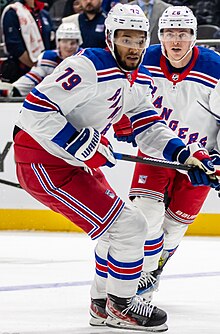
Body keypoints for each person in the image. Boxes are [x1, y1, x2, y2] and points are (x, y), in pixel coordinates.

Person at [13, 3, 218, 331]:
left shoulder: (136, 79)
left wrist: (183, 155)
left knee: (121, 228)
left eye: (139, 39)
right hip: (42, 161)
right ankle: (121, 307)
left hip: (68, 162)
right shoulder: (88, 65)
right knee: (131, 226)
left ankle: (101, 305)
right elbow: (33, 110)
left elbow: (149, 127)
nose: (134, 47)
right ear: (110, 38)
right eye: (126, 38)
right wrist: (83, 143)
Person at [114, 5, 220, 301]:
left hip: (201, 159)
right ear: (159, 36)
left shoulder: (215, 67)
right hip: (157, 151)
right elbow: (120, 89)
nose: (176, 41)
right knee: (145, 218)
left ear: (194, 37)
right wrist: (123, 121)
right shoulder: (144, 60)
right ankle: (140, 281)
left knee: (173, 229)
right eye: (170, 33)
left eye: (183, 34)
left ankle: (154, 270)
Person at [10, 22, 82, 97]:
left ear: (78, 43)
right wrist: (13, 89)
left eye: (73, 43)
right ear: (58, 42)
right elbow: (33, 77)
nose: (69, 46)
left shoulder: (85, 58)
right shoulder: (48, 58)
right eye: (65, 42)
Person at [1, 0, 54, 82]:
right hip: (21, 72)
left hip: (46, 71)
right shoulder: (13, 12)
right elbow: (15, 47)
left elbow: (52, 42)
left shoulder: (43, 13)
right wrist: (37, 68)